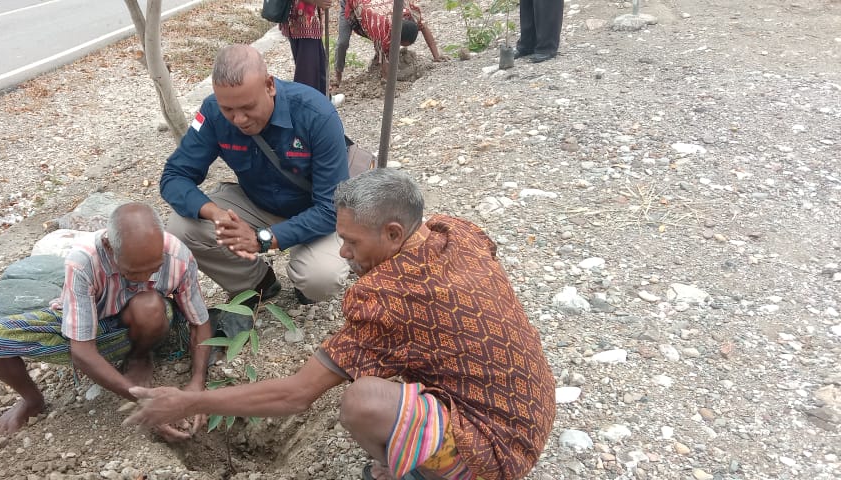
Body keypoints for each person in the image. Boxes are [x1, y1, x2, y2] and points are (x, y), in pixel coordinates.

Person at [128, 169, 557, 480]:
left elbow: (296, 395)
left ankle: (414, 474)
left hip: (494, 457)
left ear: (393, 233)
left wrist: (189, 402)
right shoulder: (456, 232)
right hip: (533, 409)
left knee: (362, 401)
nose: (345, 254)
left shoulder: (384, 296)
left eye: (351, 242)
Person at [0, 203, 212, 440]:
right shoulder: (83, 261)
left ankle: (139, 358)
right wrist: (145, 399)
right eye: (133, 272)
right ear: (109, 247)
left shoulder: (178, 256)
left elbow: (200, 322)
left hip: (145, 326)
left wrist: (197, 384)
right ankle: (32, 399)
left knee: (150, 304)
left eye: (154, 269)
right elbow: (82, 350)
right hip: (91, 328)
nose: (145, 278)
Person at [161, 44, 350, 306]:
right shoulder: (213, 111)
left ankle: (303, 281)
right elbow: (174, 176)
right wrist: (216, 215)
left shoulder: (316, 114)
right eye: (229, 110)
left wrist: (263, 239)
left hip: (315, 209)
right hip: (257, 202)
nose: (239, 119)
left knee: (321, 279)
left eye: (248, 107)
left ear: (269, 85)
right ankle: (257, 282)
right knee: (181, 227)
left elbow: (331, 209)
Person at [333, 0, 446, 86]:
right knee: (342, 43)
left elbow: (424, 27)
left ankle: (377, 59)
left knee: (383, 45)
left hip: (377, 8)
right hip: (352, 5)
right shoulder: (379, 27)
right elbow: (383, 56)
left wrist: (436, 56)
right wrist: (388, 81)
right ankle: (337, 76)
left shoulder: (412, 13)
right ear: (395, 36)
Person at [281, 0, 334, 93]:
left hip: (305, 21)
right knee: (307, 73)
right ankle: (307, 103)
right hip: (303, 21)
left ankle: (323, 98)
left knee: (318, 64)